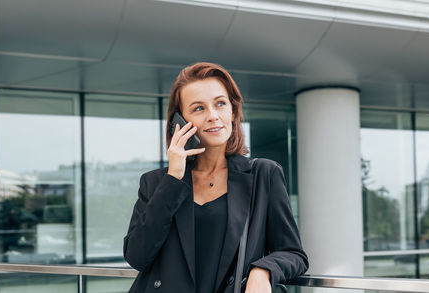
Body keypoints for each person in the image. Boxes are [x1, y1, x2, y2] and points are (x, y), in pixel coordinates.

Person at [123, 62, 308, 293]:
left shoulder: (264, 175)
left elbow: (294, 253)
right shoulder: (156, 182)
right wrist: (173, 179)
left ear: (232, 111)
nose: (212, 116)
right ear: (178, 122)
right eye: (198, 108)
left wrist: (263, 270)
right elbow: (137, 257)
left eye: (220, 104)